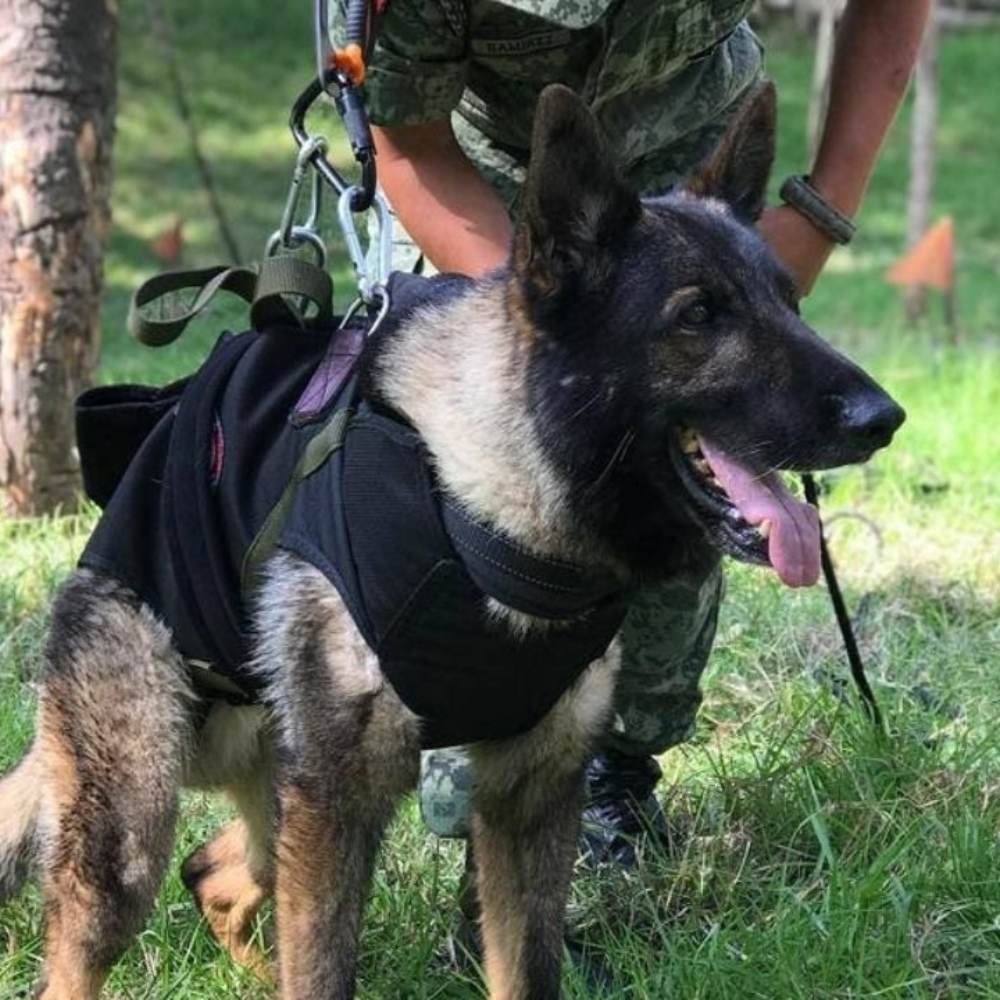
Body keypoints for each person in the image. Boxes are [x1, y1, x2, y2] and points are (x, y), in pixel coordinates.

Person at [332, 0, 929, 864]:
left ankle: (611, 778)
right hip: (496, 193)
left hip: (701, 159)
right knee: (498, 502)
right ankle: (472, 782)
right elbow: (405, 135)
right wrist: (547, 310)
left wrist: (819, 208)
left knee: (677, 482)